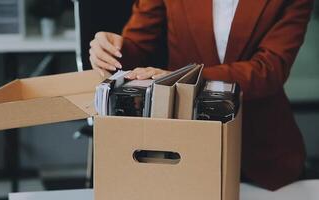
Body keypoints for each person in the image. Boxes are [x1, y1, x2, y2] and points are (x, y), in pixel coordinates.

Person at [89, 0, 314, 191]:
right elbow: (136, 48)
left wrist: (187, 78)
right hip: (182, 146)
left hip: (262, 152)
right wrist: (109, 50)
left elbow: (270, 69)